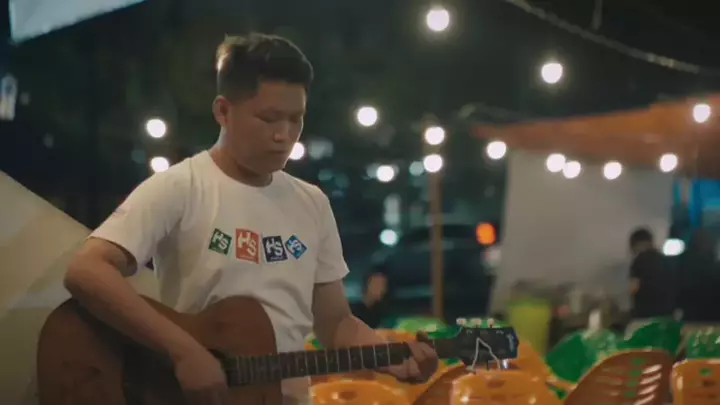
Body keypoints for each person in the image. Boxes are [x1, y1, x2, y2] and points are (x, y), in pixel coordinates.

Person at [63, 33, 438, 405]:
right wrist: (183, 352)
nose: (284, 135)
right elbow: (86, 270)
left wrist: (390, 356)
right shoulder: (181, 186)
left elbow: (336, 324)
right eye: (268, 118)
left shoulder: (312, 203)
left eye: (296, 119)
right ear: (223, 111)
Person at [627, 228, 675, 326]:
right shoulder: (665, 260)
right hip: (666, 314)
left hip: (644, 315)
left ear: (637, 244)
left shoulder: (639, 261)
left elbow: (634, 288)